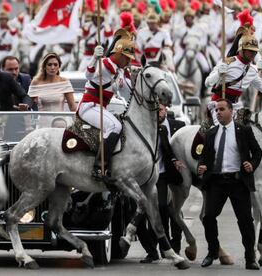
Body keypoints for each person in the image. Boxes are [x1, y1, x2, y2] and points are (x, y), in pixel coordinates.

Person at [198, 98, 262, 270]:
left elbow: (257, 152)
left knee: (245, 220)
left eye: (221, 109)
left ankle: (250, 257)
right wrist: (202, 166)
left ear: (231, 111)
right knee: (208, 217)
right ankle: (212, 252)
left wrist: (252, 165)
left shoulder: (244, 130)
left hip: (238, 182)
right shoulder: (211, 133)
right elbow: (204, 156)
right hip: (217, 181)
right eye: (216, 110)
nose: (218, 112)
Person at [77, 28, 135, 184]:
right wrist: (94, 58)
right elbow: (88, 75)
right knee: (115, 127)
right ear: (118, 54)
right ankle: (99, 167)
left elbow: (129, 90)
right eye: (126, 57)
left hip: (101, 107)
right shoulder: (103, 64)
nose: (128, 61)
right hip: (89, 106)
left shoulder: (120, 70)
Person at [137, 103, 185, 263]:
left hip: (164, 176)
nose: (158, 113)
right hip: (142, 178)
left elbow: (169, 151)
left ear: (166, 111)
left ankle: (170, 246)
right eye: (155, 110)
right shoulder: (142, 130)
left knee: (164, 207)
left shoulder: (165, 129)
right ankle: (152, 251)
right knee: (139, 218)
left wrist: (175, 161)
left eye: (161, 110)